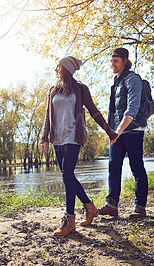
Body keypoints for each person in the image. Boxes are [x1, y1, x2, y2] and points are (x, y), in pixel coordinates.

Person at [41, 56, 118, 236]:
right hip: (57, 139)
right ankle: (89, 207)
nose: (55, 70)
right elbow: (47, 115)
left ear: (65, 68)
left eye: (58, 66)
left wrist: (109, 131)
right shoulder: (53, 90)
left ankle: (69, 219)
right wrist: (44, 137)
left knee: (67, 175)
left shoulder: (81, 89)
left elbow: (94, 112)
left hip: (73, 137)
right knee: (67, 177)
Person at [98, 48, 149, 219]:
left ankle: (140, 207)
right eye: (111, 61)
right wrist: (111, 131)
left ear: (125, 61)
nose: (112, 64)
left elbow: (132, 109)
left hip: (133, 131)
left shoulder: (133, 79)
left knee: (136, 168)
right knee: (113, 167)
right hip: (117, 133)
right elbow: (113, 111)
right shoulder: (116, 82)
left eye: (116, 61)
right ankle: (112, 205)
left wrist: (117, 132)